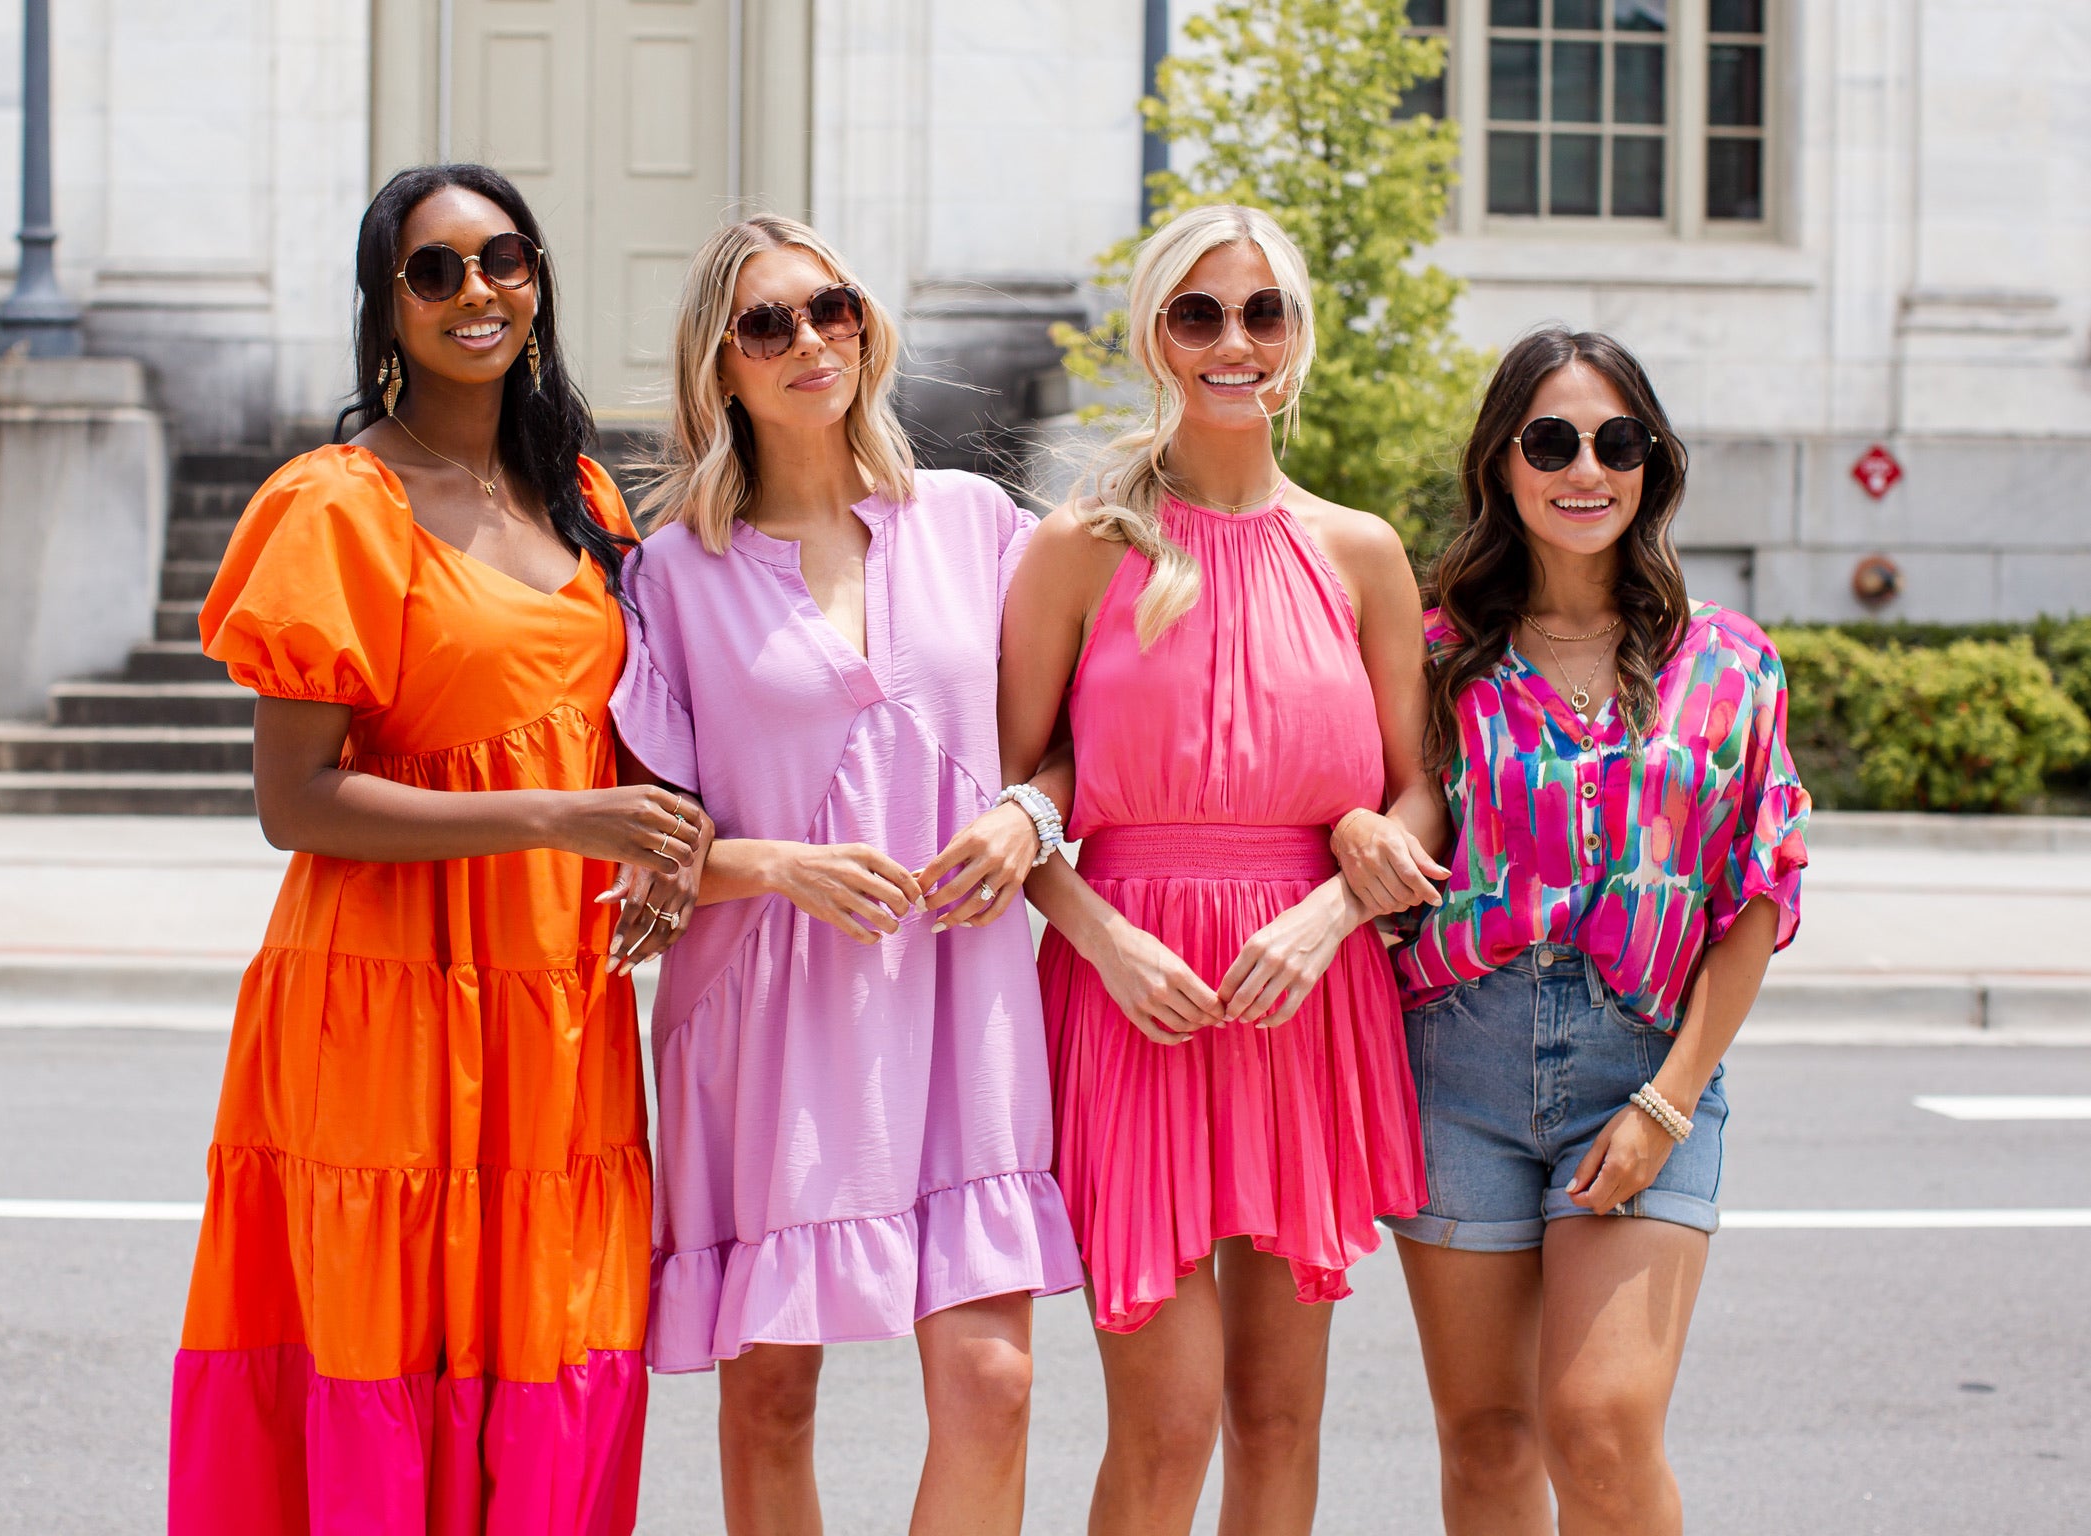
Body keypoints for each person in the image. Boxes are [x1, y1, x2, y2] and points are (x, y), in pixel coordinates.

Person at [168, 164, 707, 1535]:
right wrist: (561, 817)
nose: (478, 293)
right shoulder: (335, 504)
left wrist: (648, 832)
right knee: (382, 1340)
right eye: (436, 269)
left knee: (552, 1334)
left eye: (503, 260)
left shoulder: (580, 489)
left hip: (550, 1002)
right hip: (380, 992)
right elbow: (297, 802)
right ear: (386, 303)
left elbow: (603, 726)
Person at [612, 215, 1084, 1535]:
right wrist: (774, 864)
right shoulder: (671, 576)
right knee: (771, 1404)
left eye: (833, 310)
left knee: (992, 1385)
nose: (809, 341)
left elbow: (1068, 750)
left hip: (963, 1003)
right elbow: (641, 844)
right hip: (769, 1022)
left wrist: (1024, 822)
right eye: (768, 324)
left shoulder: (980, 526)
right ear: (721, 366)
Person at [1000, 203, 1442, 1536]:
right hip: (1131, 999)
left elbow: (1419, 797)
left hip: (1308, 997)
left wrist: (1334, 907)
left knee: (1277, 1420)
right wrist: (1096, 934)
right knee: (1170, 1420)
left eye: (1263, 312)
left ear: (1298, 336)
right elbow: (1013, 806)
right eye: (1199, 313)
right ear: (1152, 336)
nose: (1233, 342)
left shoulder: (1357, 550)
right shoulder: (1079, 546)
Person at [1381, 327, 1809, 1534]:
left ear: (1651, 464)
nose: (1585, 468)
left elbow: (1760, 889)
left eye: (1616, 441)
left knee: (1602, 1427)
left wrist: (1670, 1097)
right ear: (1503, 464)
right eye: (1551, 440)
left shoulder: (1727, 662)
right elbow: (1375, 823)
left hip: (1644, 1064)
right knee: (1485, 1442)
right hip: (1450, 1070)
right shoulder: (1432, 658)